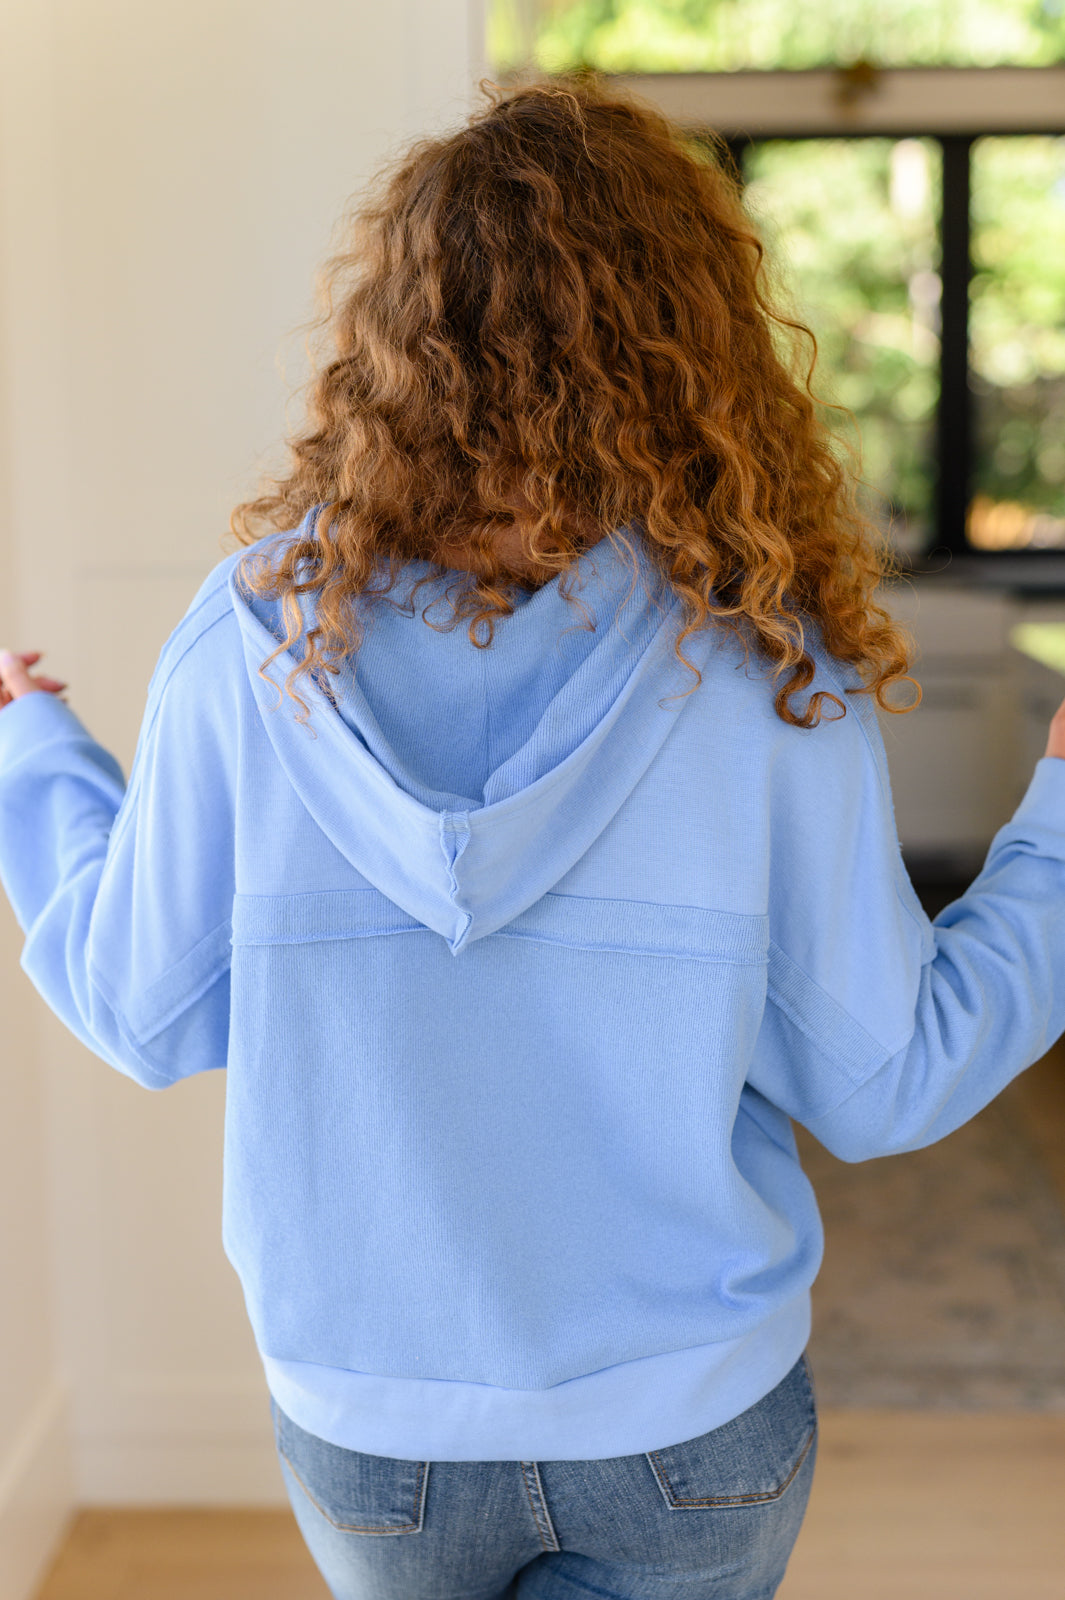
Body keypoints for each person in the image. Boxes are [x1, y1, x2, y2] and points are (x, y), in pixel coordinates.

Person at [2, 77, 1065, 1600]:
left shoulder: (255, 638)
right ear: (692, 338)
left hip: (375, 1427)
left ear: (393, 342)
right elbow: (884, 1076)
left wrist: (33, 757)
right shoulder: (761, 662)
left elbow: (138, 1006)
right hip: (685, 1429)